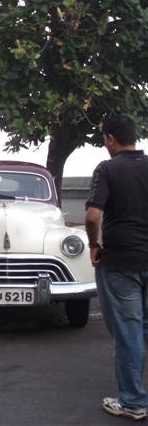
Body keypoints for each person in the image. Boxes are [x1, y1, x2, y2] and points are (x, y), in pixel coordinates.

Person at [85, 114, 148, 420]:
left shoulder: (107, 169)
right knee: (144, 329)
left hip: (121, 262)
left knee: (128, 332)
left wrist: (94, 246)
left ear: (110, 139)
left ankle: (134, 402)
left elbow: (93, 216)